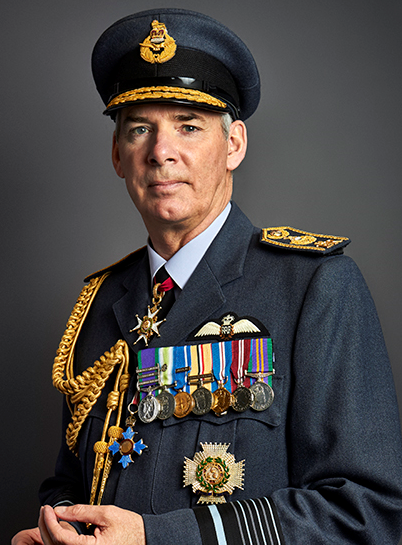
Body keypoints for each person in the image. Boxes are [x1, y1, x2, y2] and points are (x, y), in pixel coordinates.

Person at [12, 7, 402, 545]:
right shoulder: (99, 304)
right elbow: (73, 480)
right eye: (140, 129)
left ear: (234, 145)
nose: (161, 152)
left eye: (188, 127)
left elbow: (367, 512)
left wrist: (159, 537)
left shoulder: (316, 288)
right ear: (117, 154)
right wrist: (57, 525)